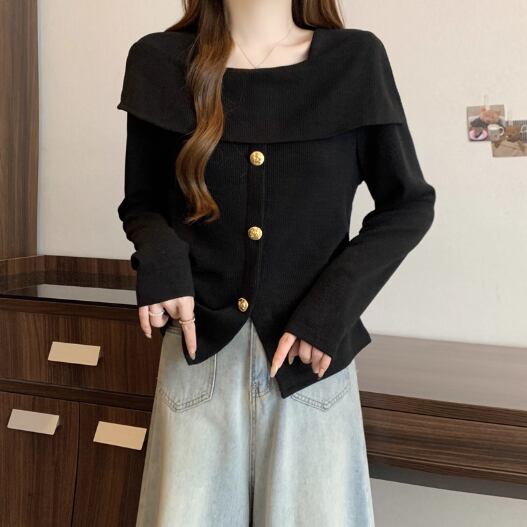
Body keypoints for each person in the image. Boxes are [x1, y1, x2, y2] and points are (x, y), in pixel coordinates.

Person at [116, 2, 436, 526]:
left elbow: (408, 205)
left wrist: (330, 310)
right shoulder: (160, 61)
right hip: (199, 359)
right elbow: (143, 203)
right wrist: (163, 261)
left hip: (311, 365)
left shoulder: (355, 61)